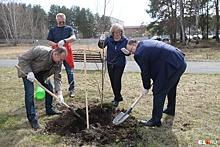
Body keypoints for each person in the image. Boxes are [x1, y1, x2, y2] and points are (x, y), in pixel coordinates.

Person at [125, 39, 187, 127]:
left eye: (131, 51)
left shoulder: (139, 52)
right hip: (180, 61)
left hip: (172, 65)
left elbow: (145, 71)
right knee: (171, 87)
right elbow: (154, 61)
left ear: (135, 45)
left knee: (158, 91)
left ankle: (155, 120)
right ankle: (170, 109)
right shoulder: (145, 43)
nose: (132, 53)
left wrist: (146, 87)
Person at [17, 46, 67, 129]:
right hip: (27, 72)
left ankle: (49, 109)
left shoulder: (59, 63)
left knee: (50, 89)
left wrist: (59, 94)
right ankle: (32, 119)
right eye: (61, 59)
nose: (61, 61)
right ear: (55, 54)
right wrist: (29, 72)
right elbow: (22, 59)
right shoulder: (40, 51)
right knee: (30, 93)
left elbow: (57, 78)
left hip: (42, 73)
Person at [98, 23, 130, 107]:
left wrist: (127, 53)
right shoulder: (109, 39)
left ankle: (116, 98)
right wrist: (101, 40)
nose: (117, 35)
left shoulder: (125, 40)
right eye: (116, 33)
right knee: (112, 81)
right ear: (112, 33)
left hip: (120, 63)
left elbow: (129, 51)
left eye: (119, 33)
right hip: (110, 63)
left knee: (117, 80)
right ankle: (118, 96)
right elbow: (102, 46)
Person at [47, 13, 76, 98]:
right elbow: (49, 42)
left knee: (70, 72)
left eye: (63, 21)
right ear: (57, 20)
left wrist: (65, 41)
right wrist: (56, 45)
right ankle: (57, 90)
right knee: (56, 72)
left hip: (67, 54)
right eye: (60, 22)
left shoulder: (69, 29)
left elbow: (73, 38)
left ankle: (72, 89)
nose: (61, 23)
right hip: (56, 53)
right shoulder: (52, 30)